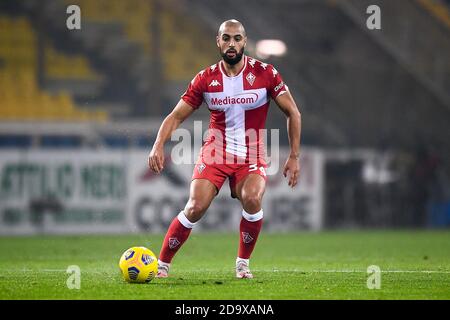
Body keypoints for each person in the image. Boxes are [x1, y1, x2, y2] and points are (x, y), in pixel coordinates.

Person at [148, 19, 301, 279]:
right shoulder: (205, 79)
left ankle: (242, 264)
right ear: (218, 42)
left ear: (245, 42)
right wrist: (158, 145)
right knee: (195, 207)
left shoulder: (265, 73)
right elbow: (175, 116)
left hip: (251, 153)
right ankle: (162, 265)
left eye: (237, 38)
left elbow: (292, 112)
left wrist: (294, 155)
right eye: (226, 38)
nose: (232, 44)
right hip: (216, 152)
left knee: (253, 199)